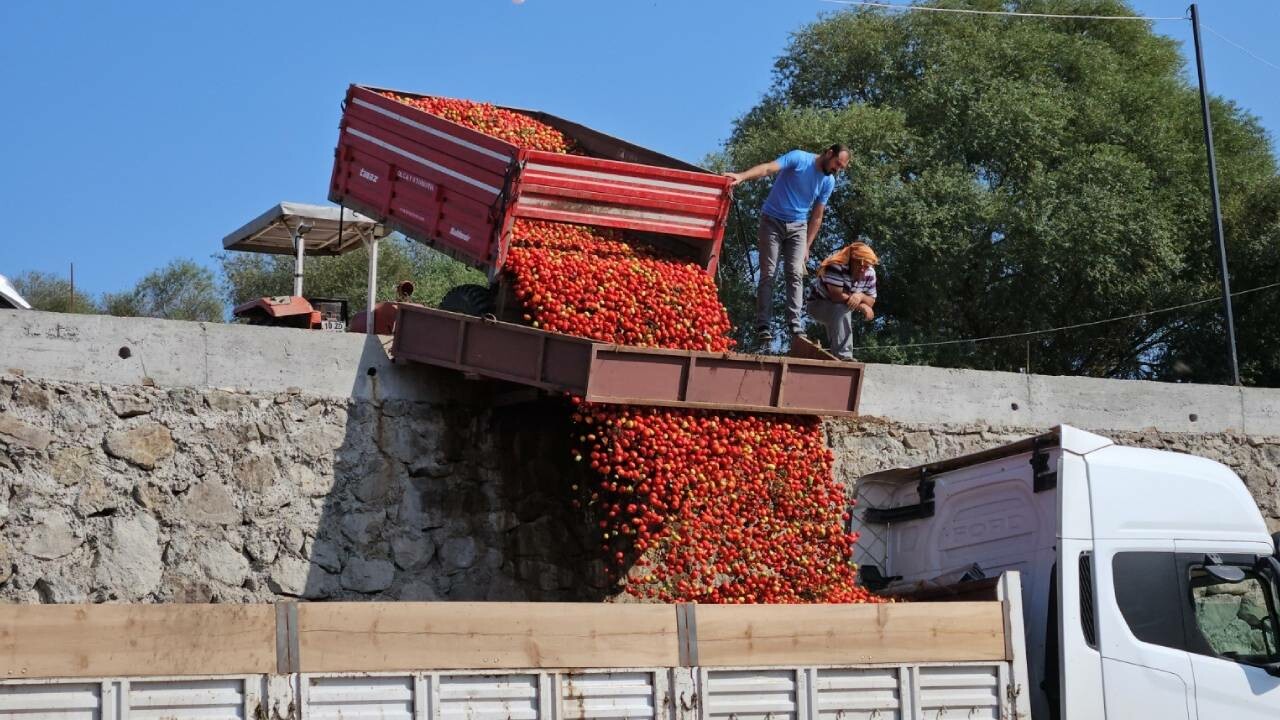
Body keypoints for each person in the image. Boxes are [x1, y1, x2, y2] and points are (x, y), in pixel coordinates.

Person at [724, 144, 850, 343]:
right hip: (772, 221)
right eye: (837, 164)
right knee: (769, 273)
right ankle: (763, 323)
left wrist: (807, 245)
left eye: (841, 168)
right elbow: (767, 168)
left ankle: (795, 323)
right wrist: (741, 176)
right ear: (829, 153)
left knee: (795, 272)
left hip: (798, 227)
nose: (837, 170)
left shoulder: (829, 181)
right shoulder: (799, 158)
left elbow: (817, 215)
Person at [806, 241, 878, 361]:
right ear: (852, 260)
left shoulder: (870, 272)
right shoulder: (836, 265)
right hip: (817, 304)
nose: (863, 270)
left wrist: (860, 296)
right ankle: (844, 356)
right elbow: (836, 296)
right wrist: (862, 306)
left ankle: (836, 355)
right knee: (842, 308)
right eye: (860, 265)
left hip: (838, 306)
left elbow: (871, 301)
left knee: (843, 308)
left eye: (866, 266)